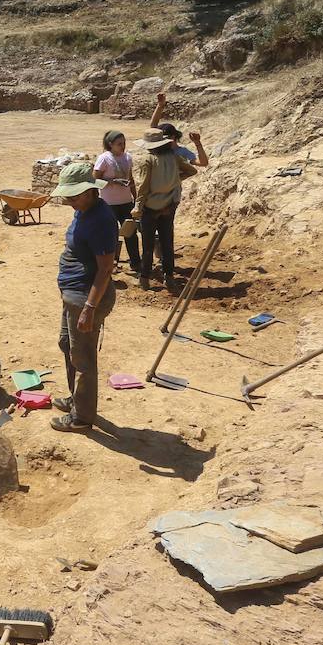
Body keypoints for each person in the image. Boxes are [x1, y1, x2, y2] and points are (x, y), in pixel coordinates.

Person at [48, 162, 117, 433]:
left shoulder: (101, 220)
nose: (69, 201)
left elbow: (105, 270)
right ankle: (76, 399)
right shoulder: (83, 210)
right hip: (73, 295)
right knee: (67, 345)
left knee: (83, 358)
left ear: (91, 191)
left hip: (86, 297)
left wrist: (90, 307)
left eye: (74, 196)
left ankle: (82, 418)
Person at [133, 128, 199, 292]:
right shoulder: (173, 156)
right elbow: (192, 170)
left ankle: (144, 278)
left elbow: (144, 187)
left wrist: (137, 207)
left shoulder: (148, 160)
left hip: (150, 207)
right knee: (167, 243)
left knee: (148, 245)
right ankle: (169, 277)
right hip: (169, 206)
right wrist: (175, 181)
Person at [93, 131, 141, 274]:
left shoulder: (127, 158)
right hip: (109, 203)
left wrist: (136, 198)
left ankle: (135, 262)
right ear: (110, 145)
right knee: (111, 234)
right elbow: (95, 180)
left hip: (126, 202)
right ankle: (112, 263)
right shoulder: (104, 159)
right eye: (119, 144)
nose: (123, 146)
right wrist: (113, 181)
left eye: (124, 143)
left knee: (130, 233)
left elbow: (131, 179)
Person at [150, 93, 209, 167]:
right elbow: (153, 126)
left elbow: (203, 163)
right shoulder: (159, 149)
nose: (162, 140)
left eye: (165, 138)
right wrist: (160, 106)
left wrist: (198, 144)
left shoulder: (182, 152)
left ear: (173, 137)